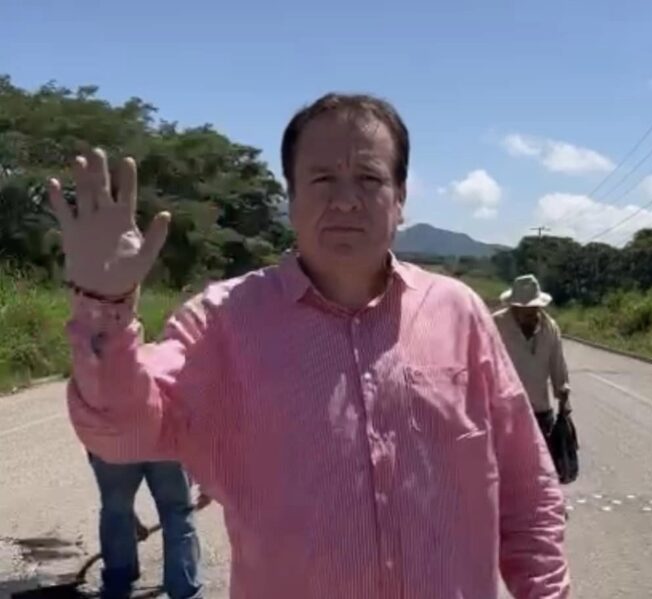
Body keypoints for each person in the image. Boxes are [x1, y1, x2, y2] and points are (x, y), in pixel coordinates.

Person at [49, 93, 569, 598]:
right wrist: (104, 309)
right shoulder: (222, 323)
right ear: (291, 197)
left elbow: (527, 489)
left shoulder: (459, 312)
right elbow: (120, 433)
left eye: (369, 178)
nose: (345, 199)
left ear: (401, 198)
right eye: (322, 179)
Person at [86, 454, 203, 599]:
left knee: (116, 513)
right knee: (177, 515)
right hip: (163, 443)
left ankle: (117, 586)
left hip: (115, 443)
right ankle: (183, 589)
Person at [493, 274, 571, 438]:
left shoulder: (549, 327)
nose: (533, 314)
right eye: (526, 311)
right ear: (514, 307)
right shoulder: (496, 324)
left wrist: (564, 400)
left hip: (539, 410)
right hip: (505, 410)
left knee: (543, 462)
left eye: (535, 308)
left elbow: (558, 365)